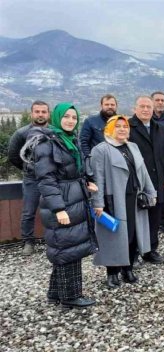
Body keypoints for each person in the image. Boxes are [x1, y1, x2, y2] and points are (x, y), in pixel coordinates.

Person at [29, 102, 97, 308]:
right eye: (66, 117)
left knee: (66, 247)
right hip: (62, 202)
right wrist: (59, 208)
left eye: (74, 118)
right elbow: (46, 179)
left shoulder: (69, 140)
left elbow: (74, 170)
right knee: (69, 249)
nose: (70, 121)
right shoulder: (46, 143)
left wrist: (86, 183)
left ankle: (55, 293)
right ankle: (71, 296)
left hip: (74, 198)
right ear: (58, 118)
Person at [91, 115, 157, 288]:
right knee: (114, 236)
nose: (122, 129)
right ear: (110, 129)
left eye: (125, 126)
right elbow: (97, 178)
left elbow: (143, 172)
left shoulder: (132, 146)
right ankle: (112, 272)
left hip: (134, 198)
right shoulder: (101, 149)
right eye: (118, 126)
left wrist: (151, 192)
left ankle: (128, 268)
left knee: (133, 234)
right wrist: (98, 203)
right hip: (114, 199)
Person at [128, 96, 164, 264]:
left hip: (157, 180)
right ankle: (132, 253)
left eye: (149, 106)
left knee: (154, 218)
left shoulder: (161, 129)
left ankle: (150, 250)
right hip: (136, 181)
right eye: (142, 106)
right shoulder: (128, 128)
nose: (146, 109)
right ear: (135, 109)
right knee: (135, 217)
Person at [8, 100, 50, 256]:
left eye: (43, 111)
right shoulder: (21, 133)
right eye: (37, 111)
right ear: (32, 113)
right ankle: (28, 241)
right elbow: (13, 155)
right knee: (28, 211)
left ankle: (52, 239)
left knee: (55, 209)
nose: (40, 114)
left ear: (48, 114)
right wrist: (28, 168)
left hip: (51, 179)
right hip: (31, 179)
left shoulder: (54, 132)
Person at [79, 94, 117, 158]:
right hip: (98, 160)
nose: (110, 107)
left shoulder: (121, 122)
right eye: (106, 104)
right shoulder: (90, 121)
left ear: (116, 106)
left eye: (112, 104)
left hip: (117, 160)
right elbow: (83, 142)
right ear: (101, 106)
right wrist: (89, 158)